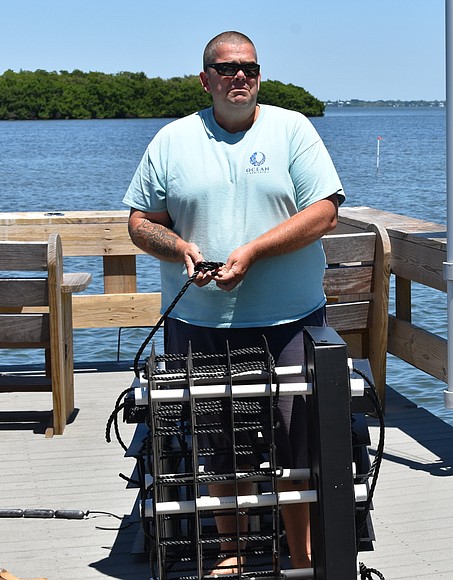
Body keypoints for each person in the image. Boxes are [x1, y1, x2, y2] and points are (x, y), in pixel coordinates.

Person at [123, 30, 344, 575]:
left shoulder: (294, 129)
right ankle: (232, 552)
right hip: (198, 323)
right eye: (225, 68)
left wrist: (251, 252)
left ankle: (301, 556)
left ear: (259, 75)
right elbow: (138, 223)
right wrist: (178, 247)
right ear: (206, 79)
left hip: (290, 321)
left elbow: (325, 212)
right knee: (220, 447)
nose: (238, 76)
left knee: (299, 450)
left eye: (248, 66)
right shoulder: (171, 140)